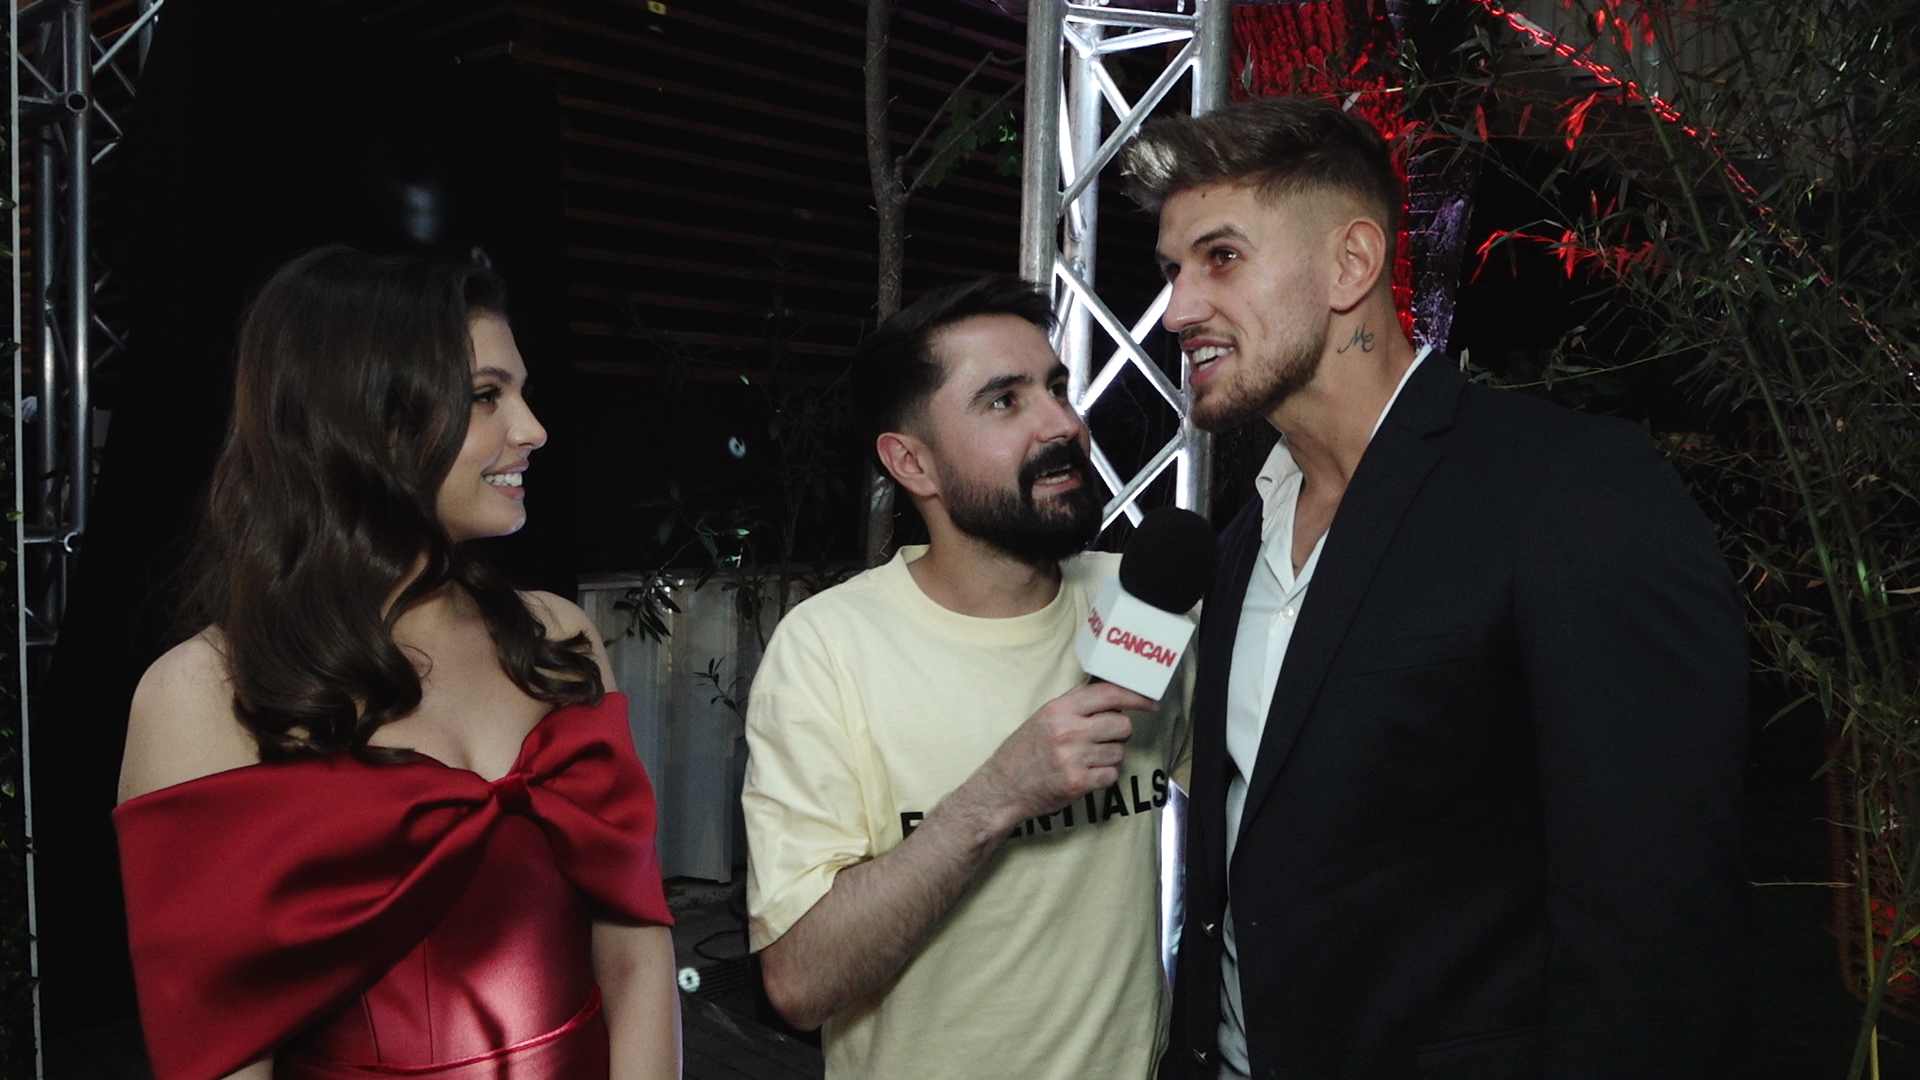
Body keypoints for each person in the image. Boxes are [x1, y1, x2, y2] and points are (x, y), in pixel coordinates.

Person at [1120, 98, 1749, 1079]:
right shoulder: (1241, 541)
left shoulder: (1569, 491)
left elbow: (1658, 932)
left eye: (1222, 257)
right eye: (1172, 271)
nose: (1178, 310)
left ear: (1352, 264)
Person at [113, 247, 682, 1080]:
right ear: (365, 420)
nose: (533, 429)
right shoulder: (204, 694)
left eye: (520, 392)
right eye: (487, 396)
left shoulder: (558, 636)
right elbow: (217, 1051)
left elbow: (635, 957)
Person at [741, 275, 1190, 1079]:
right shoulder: (829, 649)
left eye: (1057, 388)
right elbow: (800, 983)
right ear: (912, 461)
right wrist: (998, 795)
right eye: (1004, 401)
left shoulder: (1137, 605)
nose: (1062, 424)